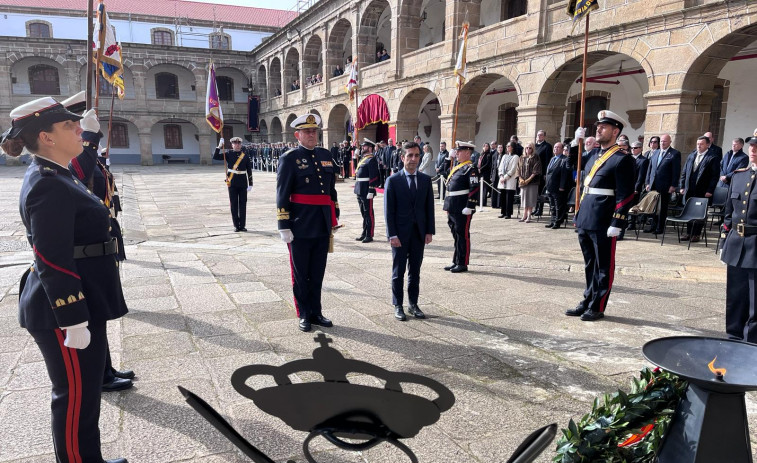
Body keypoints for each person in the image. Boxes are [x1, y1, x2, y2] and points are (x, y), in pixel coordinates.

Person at [2, 97, 129, 463]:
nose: (79, 129)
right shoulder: (48, 182)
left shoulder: (59, 171)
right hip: (64, 306)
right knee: (74, 396)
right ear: (47, 137)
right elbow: (50, 256)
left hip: (84, 296)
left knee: (86, 394)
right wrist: (72, 317)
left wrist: (89, 136)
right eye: (70, 126)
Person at [60, 92, 134, 392]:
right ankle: (100, 375)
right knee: (94, 318)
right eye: (77, 128)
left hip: (99, 243)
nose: (81, 133)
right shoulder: (66, 163)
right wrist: (90, 139)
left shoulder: (86, 156)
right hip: (83, 257)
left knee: (100, 316)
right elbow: (80, 171)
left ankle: (106, 367)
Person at [566, 111, 635, 321]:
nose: (598, 129)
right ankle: (587, 300)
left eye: (603, 127)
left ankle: (598, 305)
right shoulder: (594, 155)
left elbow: (626, 194)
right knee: (589, 263)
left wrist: (618, 221)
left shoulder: (623, 160)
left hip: (604, 218)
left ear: (615, 131)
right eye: (598, 126)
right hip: (586, 214)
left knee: (603, 265)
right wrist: (575, 145)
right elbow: (573, 165)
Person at [277, 113, 340, 332]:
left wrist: (335, 214)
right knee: (301, 273)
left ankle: (317, 311)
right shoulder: (289, 158)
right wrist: (283, 225)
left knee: (318, 271)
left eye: (314, 131)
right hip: (300, 224)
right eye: (307, 131)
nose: (311, 135)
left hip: (322, 223)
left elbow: (331, 189)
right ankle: (304, 313)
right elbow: (282, 193)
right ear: (298, 135)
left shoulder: (325, 154)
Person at [384, 142, 435, 321]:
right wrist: (392, 234)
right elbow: (388, 211)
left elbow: (429, 208)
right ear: (402, 157)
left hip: (418, 234)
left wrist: (429, 231)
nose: (413, 159)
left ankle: (413, 304)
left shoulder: (425, 180)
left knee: (415, 271)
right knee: (398, 272)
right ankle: (398, 305)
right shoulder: (393, 180)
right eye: (410, 155)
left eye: (416, 155)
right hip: (399, 234)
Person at [721, 134, 757, 343]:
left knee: (755, 300)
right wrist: (725, 239)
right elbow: (729, 211)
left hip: (756, 243)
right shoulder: (739, 175)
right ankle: (733, 336)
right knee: (735, 296)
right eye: (752, 145)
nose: (753, 149)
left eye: (756, 146)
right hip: (736, 242)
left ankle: (751, 341)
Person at [443, 141, 479, 273]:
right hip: (452, 205)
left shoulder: (471, 169)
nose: (456, 153)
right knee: (456, 235)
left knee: (462, 235)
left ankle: (463, 263)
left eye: (459, 151)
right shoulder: (458, 167)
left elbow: (474, 188)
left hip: (462, 207)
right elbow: (445, 172)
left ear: (468, 153)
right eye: (456, 151)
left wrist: (470, 205)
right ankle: (456, 260)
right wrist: (448, 159)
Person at [678, 135, 719, 241]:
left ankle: (696, 234)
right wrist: (682, 186)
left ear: (707, 144)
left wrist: (710, 190)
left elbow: (715, 176)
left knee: (699, 212)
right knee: (689, 210)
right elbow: (684, 172)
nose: (699, 146)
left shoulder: (713, 157)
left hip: (703, 190)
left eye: (701, 144)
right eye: (697, 144)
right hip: (689, 188)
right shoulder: (692, 155)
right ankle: (688, 233)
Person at [214, 136, 253, 232]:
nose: (237, 145)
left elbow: (249, 170)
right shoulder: (228, 154)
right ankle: (236, 225)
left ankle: (242, 225)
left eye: (239, 143)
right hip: (232, 182)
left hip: (243, 182)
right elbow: (215, 157)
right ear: (232, 145)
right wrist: (219, 147)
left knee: (243, 204)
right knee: (234, 204)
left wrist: (251, 183)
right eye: (235, 143)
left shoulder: (245, 155)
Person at [644, 134, 681, 234]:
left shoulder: (674, 154)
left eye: (664, 141)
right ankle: (652, 226)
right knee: (653, 206)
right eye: (661, 141)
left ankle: (660, 227)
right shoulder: (655, 152)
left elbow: (676, 171)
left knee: (662, 207)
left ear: (669, 142)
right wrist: (647, 182)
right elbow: (650, 169)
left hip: (666, 185)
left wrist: (673, 185)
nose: (662, 143)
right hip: (654, 184)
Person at [354, 138, 381, 243]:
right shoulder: (363, 159)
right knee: (363, 213)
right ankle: (364, 232)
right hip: (359, 188)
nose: (362, 148)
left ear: (370, 148)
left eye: (364, 146)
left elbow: (373, 176)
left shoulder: (371, 159)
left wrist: (371, 189)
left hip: (366, 189)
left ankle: (369, 234)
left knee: (368, 213)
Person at [544, 141, 571, 229]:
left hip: (558, 187)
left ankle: (558, 222)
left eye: (558, 147)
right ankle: (552, 220)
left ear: (562, 149)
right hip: (550, 186)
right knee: (552, 205)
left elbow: (564, 174)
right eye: (555, 147)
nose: (555, 149)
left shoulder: (564, 159)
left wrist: (562, 186)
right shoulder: (552, 158)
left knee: (558, 205)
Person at [626, 141, 650, 232]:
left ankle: (632, 223)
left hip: (636, 186)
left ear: (640, 149)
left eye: (635, 148)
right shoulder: (628, 158)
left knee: (633, 205)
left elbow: (641, 176)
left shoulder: (643, 160)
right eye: (631, 148)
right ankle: (626, 222)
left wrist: (636, 188)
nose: (633, 150)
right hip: (627, 186)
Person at [517, 142, 542, 223]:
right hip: (523, 182)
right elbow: (518, 169)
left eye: (530, 148)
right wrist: (520, 178)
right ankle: (524, 215)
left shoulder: (536, 157)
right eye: (527, 147)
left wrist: (528, 180)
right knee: (524, 199)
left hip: (532, 182)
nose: (528, 149)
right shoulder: (521, 157)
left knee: (530, 199)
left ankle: (529, 215)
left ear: (533, 149)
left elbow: (536, 170)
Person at [498, 141, 520, 218]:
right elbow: (500, 167)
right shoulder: (504, 156)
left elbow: (513, 169)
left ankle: (508, 213)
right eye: (507, 146)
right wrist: (501, 176)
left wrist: (505, 177)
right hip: (502, 179)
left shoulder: (516, 157)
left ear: (512, 147)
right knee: (503, 196)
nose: (507, 147)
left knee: (509, 197)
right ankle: (503, 212)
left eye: (509, 146)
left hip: (510, 179)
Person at [534, 130, 552, 216]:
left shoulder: (547, 146)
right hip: (533, 173)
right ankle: (535, 208)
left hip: (541, 173)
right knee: (534, 192)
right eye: (538, 135)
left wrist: (545, 173)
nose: (539, 136)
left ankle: (540, 209)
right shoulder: (534, 146)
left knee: (540, 191)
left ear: (544, 136)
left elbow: (547, 161)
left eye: (541, 135)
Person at [477, 143, 493, 207]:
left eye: (487, 146)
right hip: (480, 172)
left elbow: (487, 163)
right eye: (484, 146)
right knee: (480, 188)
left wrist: (481, 169)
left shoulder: (489, 154)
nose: (485, 147)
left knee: (484, 189)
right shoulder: (481, 154)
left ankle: (483, 202)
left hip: (485, 173)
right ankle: (479, 201)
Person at [490, 143, 503, 209]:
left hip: (501, 175)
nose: (500, 149)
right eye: (499, 147)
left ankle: (499, 204)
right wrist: (491, 176)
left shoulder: (504, 156)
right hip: (495, 174)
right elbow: (492, 166)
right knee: (494, 189)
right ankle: (493, 204)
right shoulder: (494, 155)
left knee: (499, 189)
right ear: (497, 149)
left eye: (501, 147)